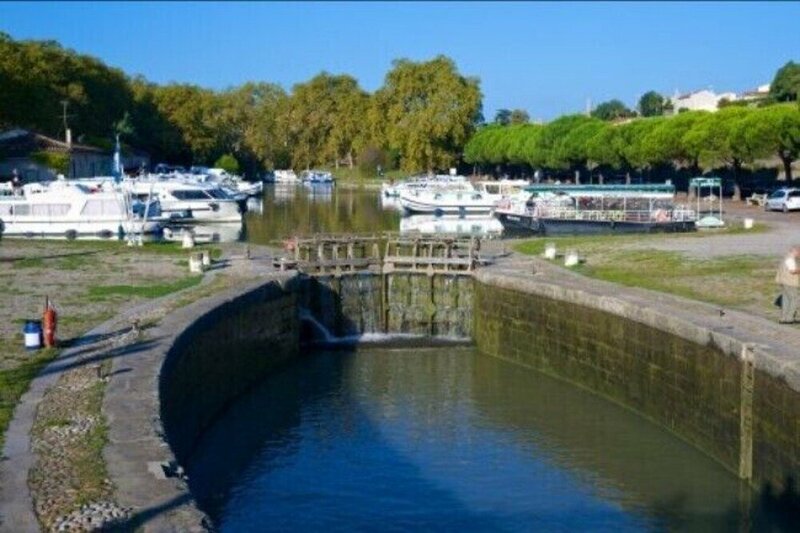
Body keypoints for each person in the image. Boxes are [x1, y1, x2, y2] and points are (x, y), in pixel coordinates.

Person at [775, 246, 800, 324]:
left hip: (783, 281)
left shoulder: (785, 258)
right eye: (799, 252)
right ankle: (789, 318)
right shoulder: (790, 259)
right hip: (790, 282)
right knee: (794, 299)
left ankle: (783, 318)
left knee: (786, 299)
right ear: (795, 251)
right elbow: (792, 271)